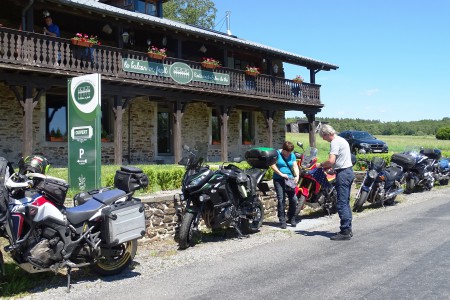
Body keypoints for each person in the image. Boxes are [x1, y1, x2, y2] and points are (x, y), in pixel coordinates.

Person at [317, 124, 355, 240]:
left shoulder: (334, 142)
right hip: (348, 172)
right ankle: (348, 228)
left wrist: (321, 165)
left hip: (343, 174)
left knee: (341, 203)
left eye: (323, 136)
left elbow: (331, 160)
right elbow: (340, 160)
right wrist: (333, 168)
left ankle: (345, 232)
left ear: (327, 134)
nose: (324, 139)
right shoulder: (342, 140)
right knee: (346, 202)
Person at [271, 141, 299, 229]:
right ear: (283, 150)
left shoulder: (292, 155)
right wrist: (281, 174)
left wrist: (297, 176)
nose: (288, 154)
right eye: (287, 152)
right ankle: (282, 220)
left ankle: (292, 217)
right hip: (279, 179)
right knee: (281, 199)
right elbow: (272, 165)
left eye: (290, 152)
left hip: (289, 180)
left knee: (294, 199)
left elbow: (295, 166)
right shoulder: (277, 154)